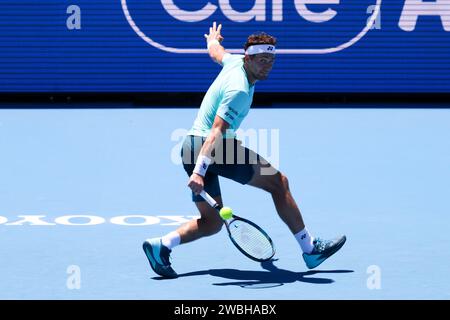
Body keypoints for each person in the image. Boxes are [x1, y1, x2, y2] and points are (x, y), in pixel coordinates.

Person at [143, 22, 346, 278]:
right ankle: (310, 248)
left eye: (271, 60)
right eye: (262, 60)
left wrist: (212, 41)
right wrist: (198, 172)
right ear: (248, 58)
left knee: (213, 222)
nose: (267, 65)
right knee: (278, 183)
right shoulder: (238, 89)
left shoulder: (234, 62)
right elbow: (216, 132)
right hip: (213, 149)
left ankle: (161, 245)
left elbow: (216, 52)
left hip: (190, 146)